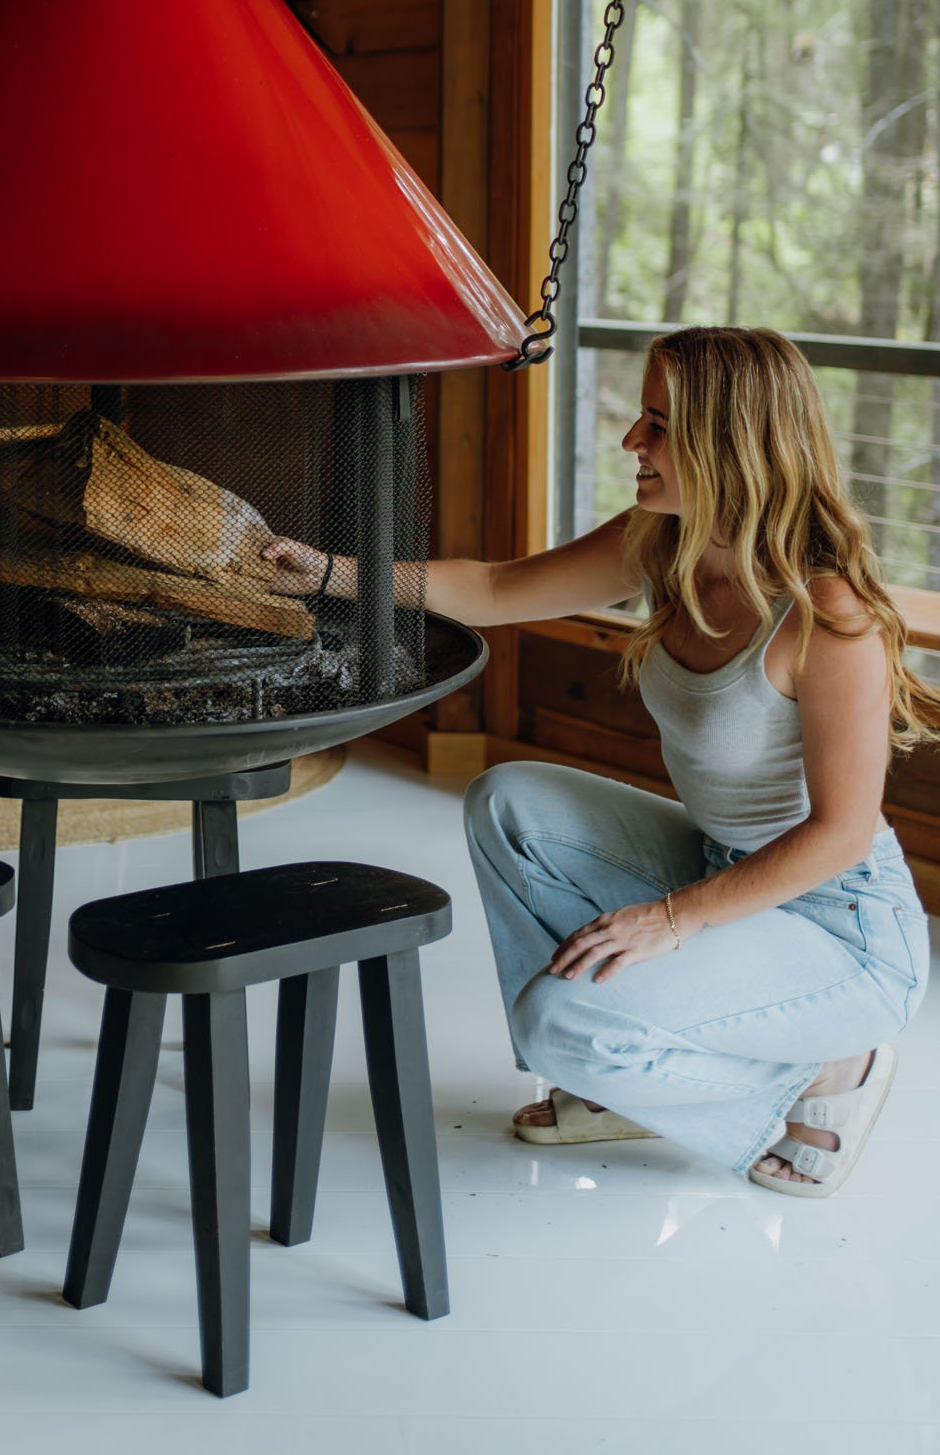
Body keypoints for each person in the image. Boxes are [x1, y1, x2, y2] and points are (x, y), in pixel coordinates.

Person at [257, 326, 934, 1198]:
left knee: (559, 1025)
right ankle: (621, 1078)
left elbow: (841, 835)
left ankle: (828, 1075)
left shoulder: (824, 615)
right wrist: (329, 574)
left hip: (843, 931)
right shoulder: (668, 539)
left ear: (728, 441)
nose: (630, 441)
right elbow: (499, 589)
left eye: (657, 423)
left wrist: (673, 920)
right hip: (722, 862)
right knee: (507, 799)